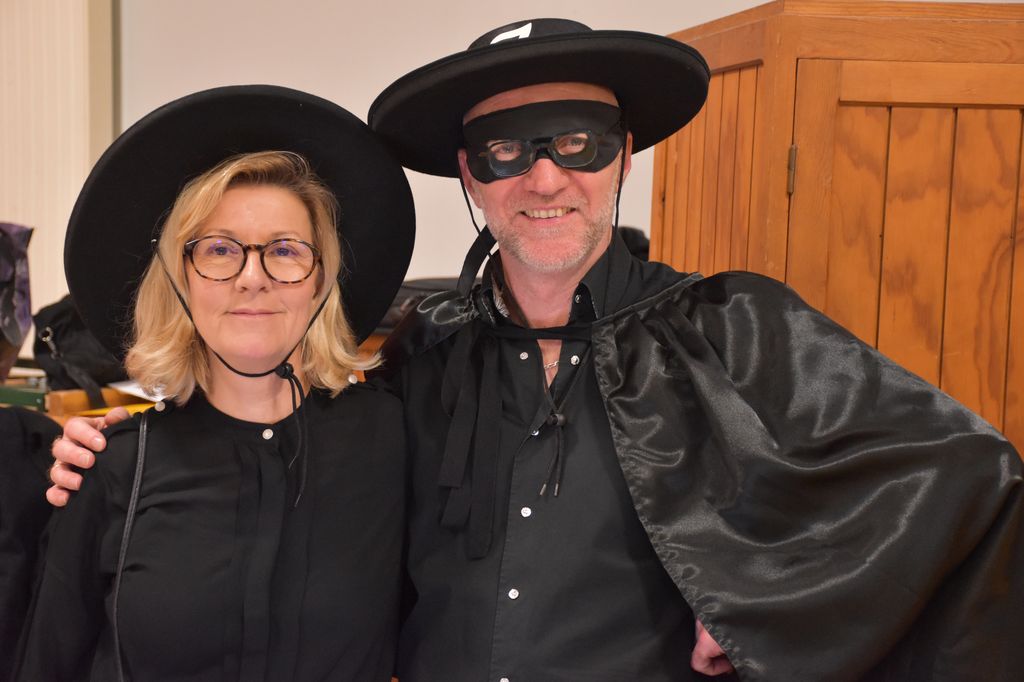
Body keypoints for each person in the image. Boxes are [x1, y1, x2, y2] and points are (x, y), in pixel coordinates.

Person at [52, 19, 1024, 681]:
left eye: (578, 142)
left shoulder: (731, 330)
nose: (546, 177)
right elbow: (259, 408)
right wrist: (102, 445)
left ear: (625, 154)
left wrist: (770, 596)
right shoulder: (425, 355)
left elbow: (963, 472)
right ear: (471, 176)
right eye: (508, 151)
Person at [21, 85, 414, 680]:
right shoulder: (113, 464)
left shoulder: (392, 439)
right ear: (180, 280)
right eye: (220, 250)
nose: (252, 277)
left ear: (321, 281)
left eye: (285, 250)